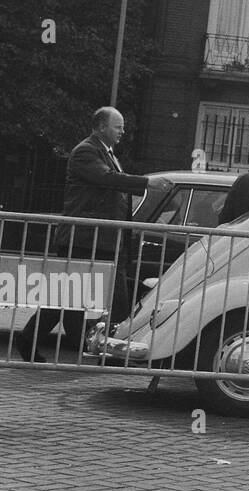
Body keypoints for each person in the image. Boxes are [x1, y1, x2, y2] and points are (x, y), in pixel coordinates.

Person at [13, 107, 172, 362]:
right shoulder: (85, 151)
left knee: (70, 299)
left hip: (105, 240)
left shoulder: (106, 152)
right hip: (85, 239)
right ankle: (106, 352)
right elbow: (108, 179)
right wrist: (146, 183)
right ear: (101, 127)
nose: (123, 131)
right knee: (88, 298)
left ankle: (42, 341)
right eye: (118, 126)